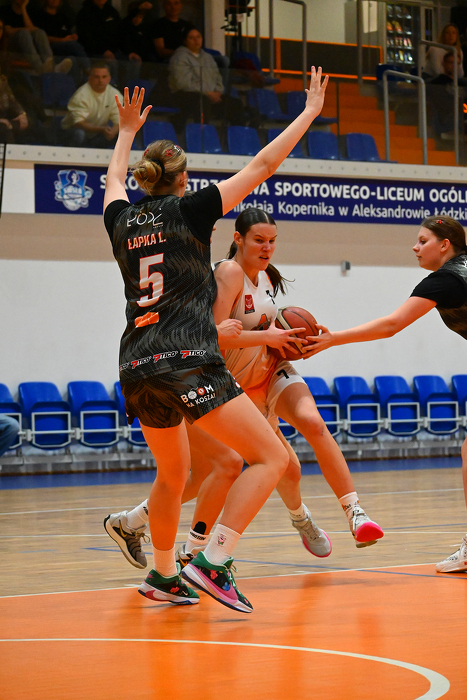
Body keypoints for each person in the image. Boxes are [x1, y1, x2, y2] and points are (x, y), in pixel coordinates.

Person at [103, 67, 328, 613]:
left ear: (144, 179)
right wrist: (308, 113)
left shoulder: (121, 220)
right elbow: (263, 165)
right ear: (183, 180)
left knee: (173, 474)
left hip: (135, 364)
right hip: (187, 358)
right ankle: (213, 560)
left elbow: (111, 182)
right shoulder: (192, 209)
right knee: (271, 458)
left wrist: (126, 132)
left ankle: (162, 574)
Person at [104, 208, 384, 573]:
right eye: (259, 240)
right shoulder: (228, 273)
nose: (267, 248)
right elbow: (213, 336)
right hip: (229, 381)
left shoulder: (265, 276)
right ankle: (146, 526)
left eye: (272, 241)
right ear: (238, 239)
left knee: (311, 424)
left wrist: (293, 340)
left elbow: (267, 327)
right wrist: (269, 336)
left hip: (269, 371)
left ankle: (354, 512)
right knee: (263, 469)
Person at [306, 215, 467, 575]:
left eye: (423, 240)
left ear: (444, 245)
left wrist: (333, 339)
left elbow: (392, 325)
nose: (415, 247)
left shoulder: (445, 280)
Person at [168, 26, 251, 129]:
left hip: (210, 96)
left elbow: (218, 78)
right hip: (185, 96)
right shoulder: (180, 57)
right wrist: (207, 93)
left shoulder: (208, 58)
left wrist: (218, 92)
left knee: (235, 103)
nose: (196, 40)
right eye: (191, 38)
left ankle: (238, 136)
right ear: (185, 41)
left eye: (198, 37)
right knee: (202, 102)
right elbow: (183, 83)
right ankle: (202, 134)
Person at [0, 0, 72, 74]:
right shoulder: (5, 10)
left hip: (27, 45)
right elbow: (8, 31)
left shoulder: (31, 11)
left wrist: (23, 8)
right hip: (10, 45)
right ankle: (41, 69)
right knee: (23, 33)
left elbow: (34, 30)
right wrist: (27, 29)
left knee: (40, 32)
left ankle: (51, 64)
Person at [61, 62, 122, 147]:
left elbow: (120, 121)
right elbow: (78, 123)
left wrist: (112, 132)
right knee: (79, 134)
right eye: (97, 77)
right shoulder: (81, 95)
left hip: (97, 134)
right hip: (71, 132)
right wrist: (102, 129)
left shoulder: (115, 94)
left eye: (104, 77)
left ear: (109, 79)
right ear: (89, 78)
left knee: (122, 134)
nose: (100, 80)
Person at [30, 0, 90, 81]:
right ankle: (89, 70)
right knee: (73, 45)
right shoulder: (39, 16)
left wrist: (73, 36)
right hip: (49, 49)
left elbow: (68, 32)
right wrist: (62, 40)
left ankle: (77, 85)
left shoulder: (62, 15)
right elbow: (40, 37)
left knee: (72, 59)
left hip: (65, 48)